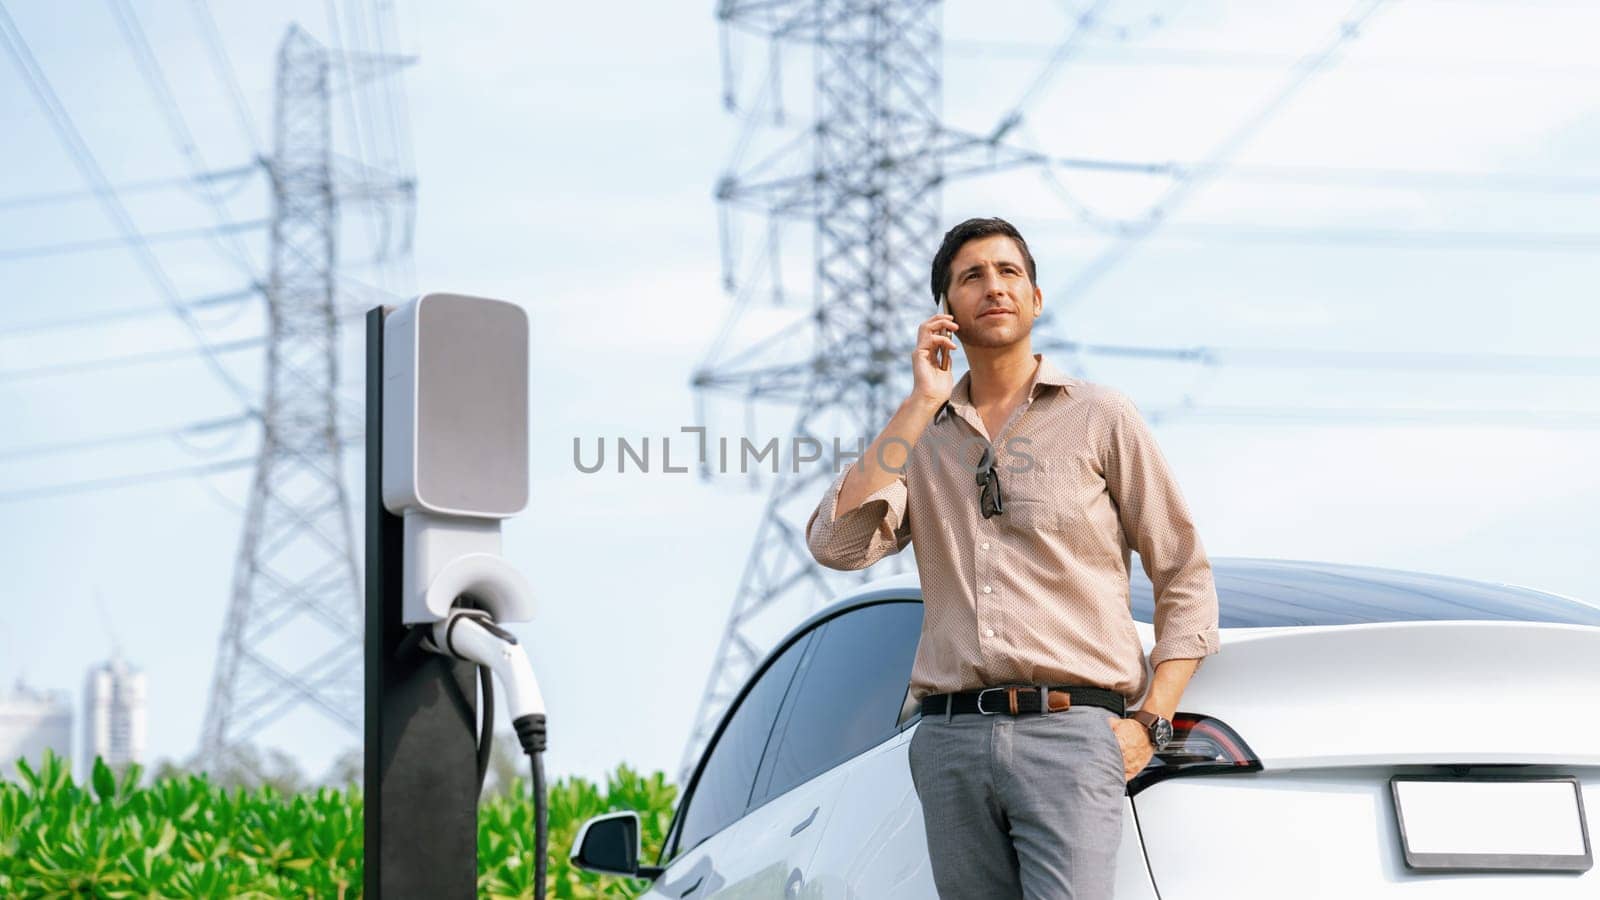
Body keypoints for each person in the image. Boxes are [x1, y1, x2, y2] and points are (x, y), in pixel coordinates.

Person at [804, 217, 1220, 899]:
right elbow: (837, 544)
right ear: (946, 314)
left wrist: (1150, 721)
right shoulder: (921, 438)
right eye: (971, 276)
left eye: (1008, 272)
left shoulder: (1100, 416)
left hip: (1074, 733)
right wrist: (918, 405)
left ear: (1035, 298)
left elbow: (1183, 573)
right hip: (950, 744)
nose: (992, 286)